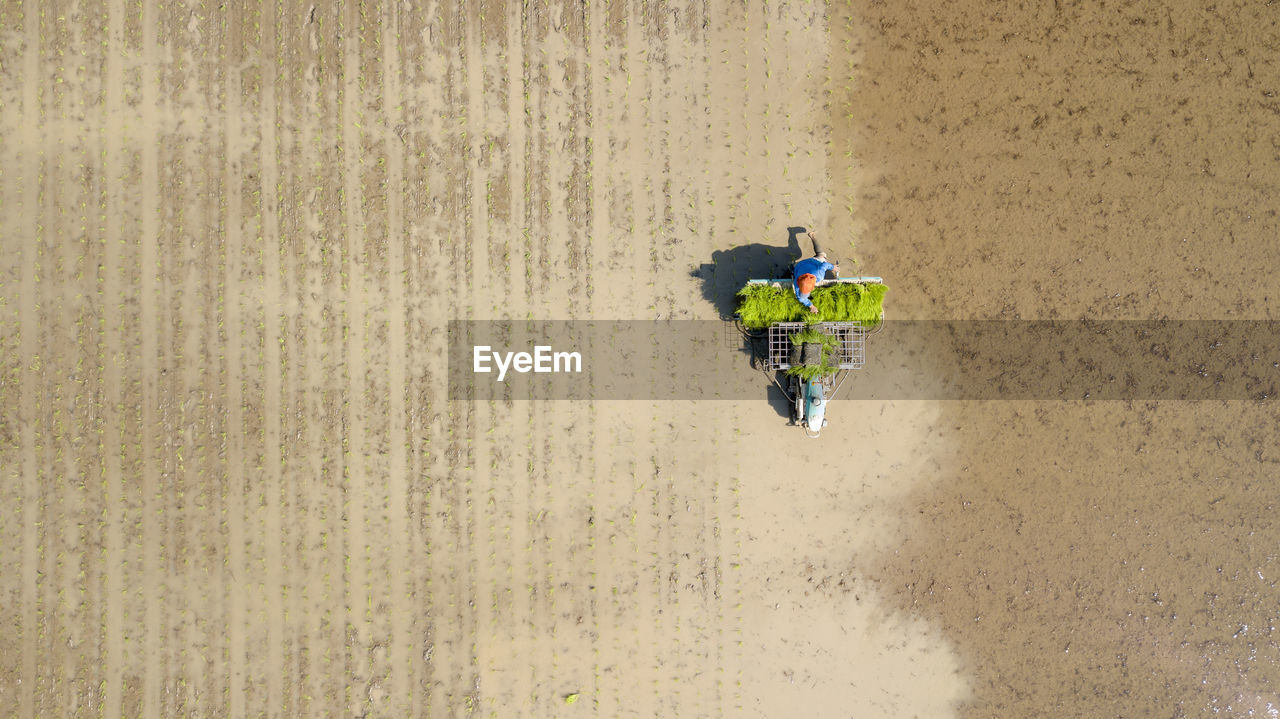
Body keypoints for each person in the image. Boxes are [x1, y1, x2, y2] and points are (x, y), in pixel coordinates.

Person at [792, 237, 838, 313]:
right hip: (800, 265)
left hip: (806, 264)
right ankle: (812, 236)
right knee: (822, 256)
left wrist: (833, 267)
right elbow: (800, 298)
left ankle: (813, 237)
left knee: (822, 256)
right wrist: (811, 306)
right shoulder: (818, 276)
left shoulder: (818, 274)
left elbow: (825, 265)